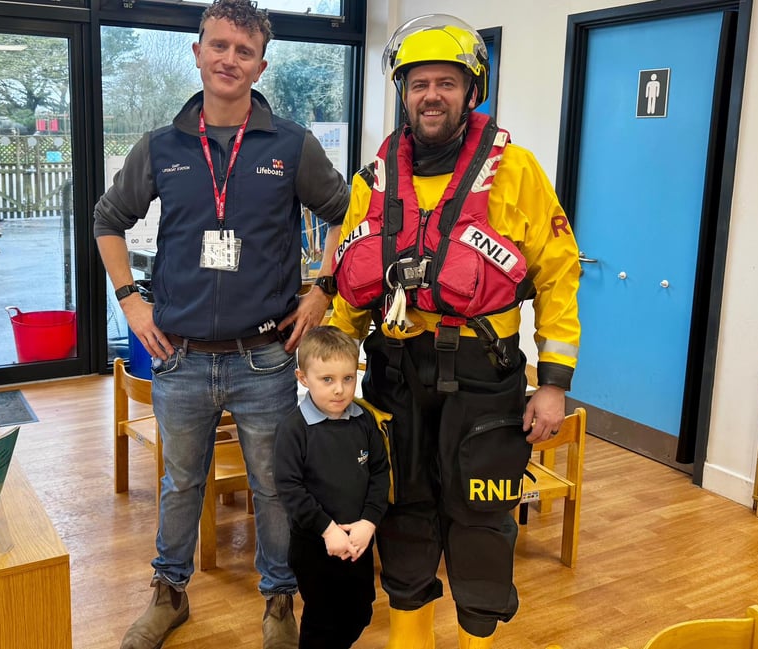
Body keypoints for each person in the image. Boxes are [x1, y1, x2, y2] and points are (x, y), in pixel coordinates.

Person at [92, 1, 349, 647]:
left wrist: (323, 287)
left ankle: (279, 601)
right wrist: (130, 300)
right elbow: (107, 219)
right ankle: (168, 594)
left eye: (244, 50)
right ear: (198, 52)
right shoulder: (162, 146)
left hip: (264, 357)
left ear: (260, 65)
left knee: (273, 487)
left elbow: (348, 214)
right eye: (219, 45)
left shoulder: (290, 145)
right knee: (181, 484)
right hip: (179, 356)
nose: (229, 59)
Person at [329, 14, 581, 649]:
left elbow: (559, 273)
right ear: (403, 92)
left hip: (484, 377)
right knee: (401, 517)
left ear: (473, 91)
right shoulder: (373, 180)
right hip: (395, 373)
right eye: (419, 84)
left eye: (447, 82)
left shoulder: (517, 171)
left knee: (481, 524)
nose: (431, 96)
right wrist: (326, 372)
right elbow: (349, 286)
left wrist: (554, 384)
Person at [274, 325, 390, 649]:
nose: (339, 390)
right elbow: (290, 488)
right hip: (314, 545)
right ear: (303, 378)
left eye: (348, 378)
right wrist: (327, 530)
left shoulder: (364, 421)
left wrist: (369, 522)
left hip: (359, 541)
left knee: (359, 612)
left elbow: (380, 472)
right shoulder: (293, 429)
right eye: (327, 380)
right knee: (321, 621)